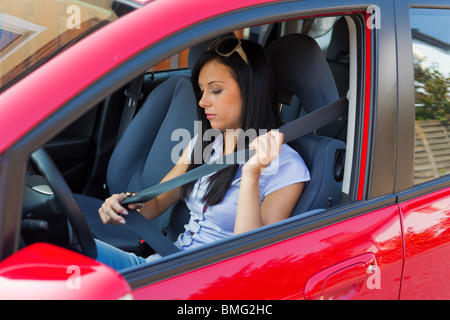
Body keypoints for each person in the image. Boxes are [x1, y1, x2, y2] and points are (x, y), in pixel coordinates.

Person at [95, 36, 310, 270]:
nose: (203, 101)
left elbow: (250, 260)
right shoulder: (205, 143)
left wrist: (251, 175)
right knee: (69, 248)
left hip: (206, 285)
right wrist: (124, 205)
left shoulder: (287, 168)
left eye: (216, 90)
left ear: (251, 90)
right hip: (163, 267)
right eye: (201, 91)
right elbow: (157, 202)